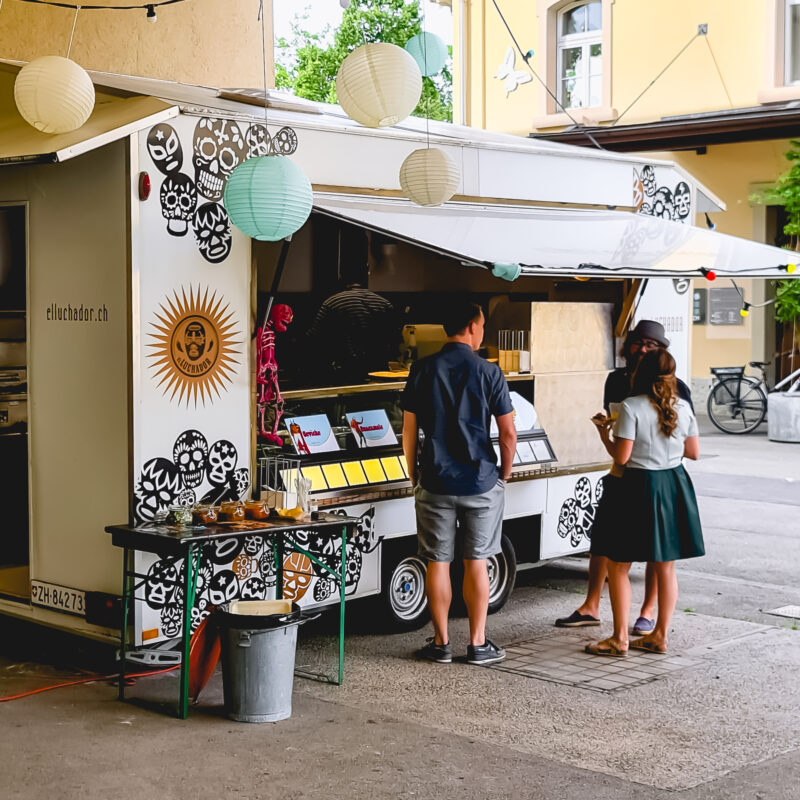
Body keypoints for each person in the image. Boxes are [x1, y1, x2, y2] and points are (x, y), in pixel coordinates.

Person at [555, 320, 693, 636]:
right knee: (602, 540)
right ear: (627, 346)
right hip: (620, 475)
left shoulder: (678, 387)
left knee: (657, 552)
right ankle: (591, 605)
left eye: (650, 345)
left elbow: (684, 438)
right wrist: (608, 425)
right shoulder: (617, 381)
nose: (642, 349)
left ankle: (646, 613)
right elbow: (618, 423)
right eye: (637, 343)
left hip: (654, 476)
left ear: (661, 350)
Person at [401, 300, 517, 665]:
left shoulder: (422, 368)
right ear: (471, 326)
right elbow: (508, 433)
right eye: (482, 325)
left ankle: (441, 643)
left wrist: (413, 472)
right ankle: (478, 644)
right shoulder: (489, 372)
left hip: (435, 481)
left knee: (437, 562)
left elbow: (409, 430)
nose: (483, 331)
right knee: (477, 561)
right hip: (480, 482)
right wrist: (505, 473)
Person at [585, 348, 704, 656]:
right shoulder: (683, 407)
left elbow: (622, 457)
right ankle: (659, 635)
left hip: (636, 486)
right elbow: (693, 453)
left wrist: (603, 434)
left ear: (641, 373)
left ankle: (619, 638)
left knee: (619, 564)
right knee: (665, 566)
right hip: (673, 483)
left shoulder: (631, 407)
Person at [306, 229, 396, 382]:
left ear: (342, 275)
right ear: (367, 273)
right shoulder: (384, 303)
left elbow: (314, 339)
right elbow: (394, 338)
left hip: (344, 372)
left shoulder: (332, 303)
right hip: (378, 371)